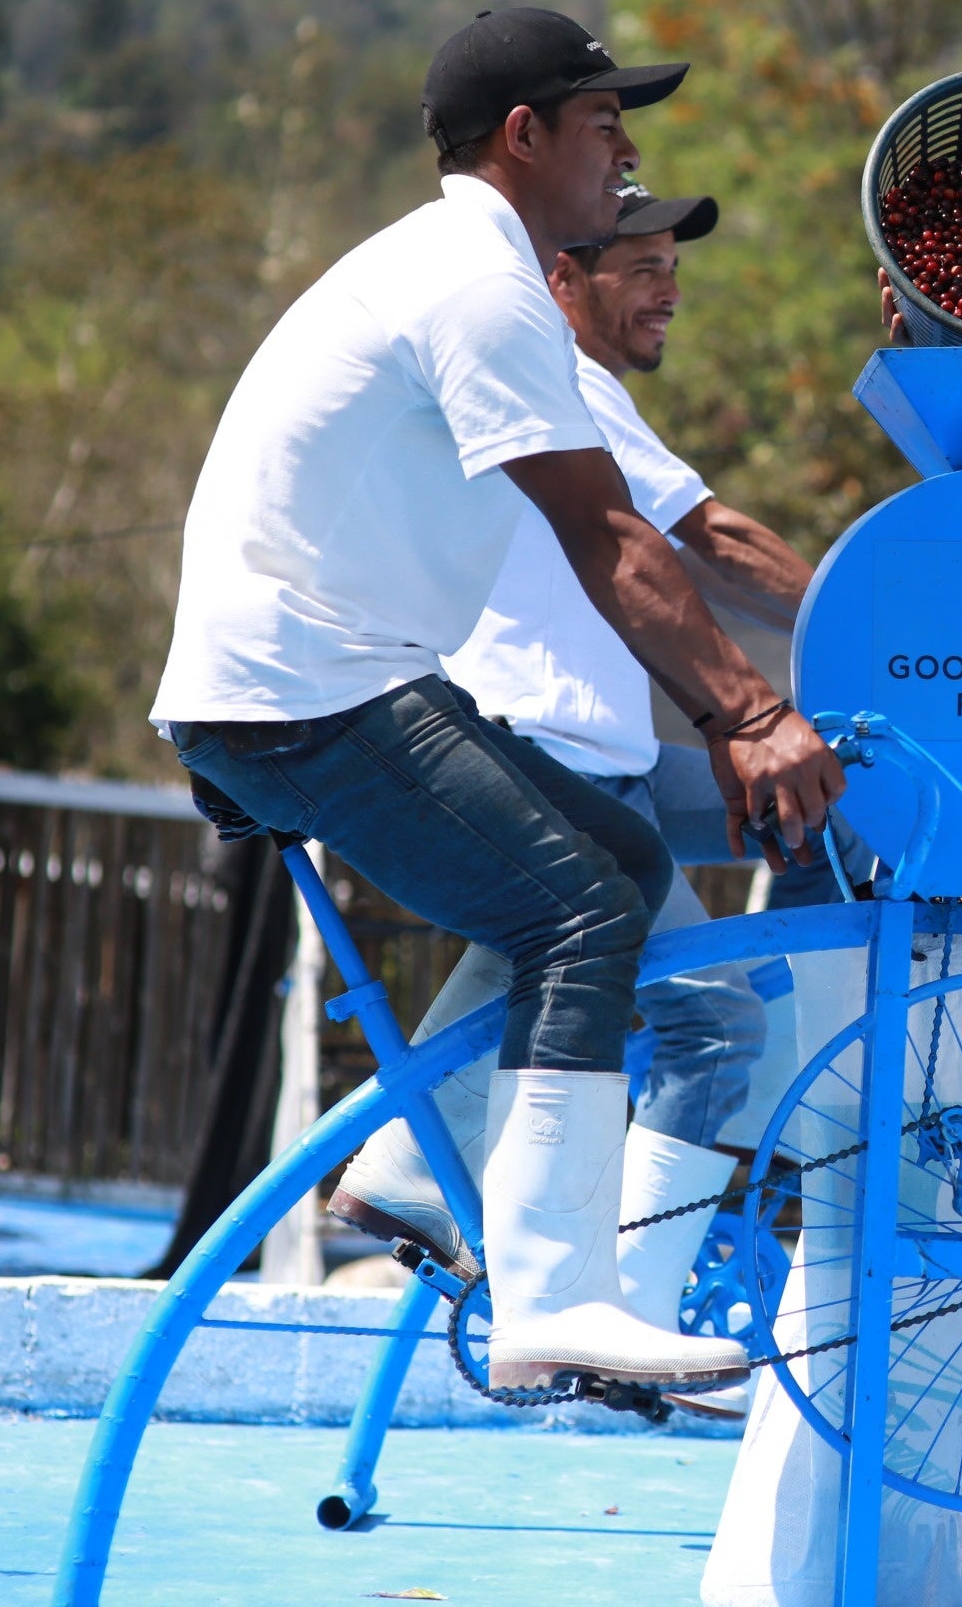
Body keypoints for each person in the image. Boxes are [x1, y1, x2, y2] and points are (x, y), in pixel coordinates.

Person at [150, 7, 844, 1392]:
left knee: (629, 853)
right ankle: (549, 1297)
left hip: (334, 674)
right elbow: (617, 539)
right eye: (605, 127)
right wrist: (753, 715)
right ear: (523, 138)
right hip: (305, 690)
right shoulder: (485, 287)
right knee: (582, 910)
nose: (627, 153)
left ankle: (429, 1182)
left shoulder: (470, 267)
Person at [326, 186, 841, 1412]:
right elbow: (707, 539)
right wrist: (867, 624)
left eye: (675, 264)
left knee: (799, 808)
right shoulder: (569, 384)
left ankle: (403, 1160)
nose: (668, 285)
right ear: (562, 280)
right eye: (640, 265)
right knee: (712, 1023)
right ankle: (630, 1314)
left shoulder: (569, 387)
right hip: (544, 746)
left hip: (575, 741)